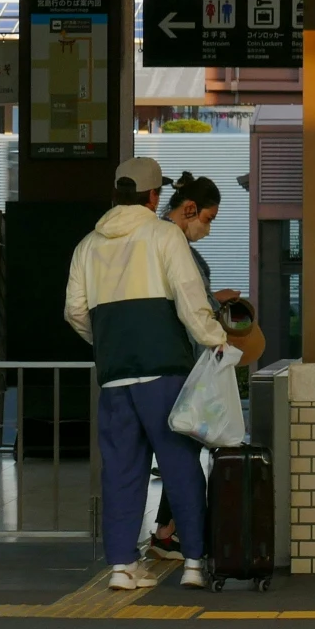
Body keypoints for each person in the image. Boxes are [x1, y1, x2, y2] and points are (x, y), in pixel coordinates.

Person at [64, 155, 228, 592]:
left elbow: (76, 312)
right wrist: (215, 339)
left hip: (115, 377)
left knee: (120, 471)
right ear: (153, 196)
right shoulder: (162, 236)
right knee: (180, 466)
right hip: (165, 374)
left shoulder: (87, 246)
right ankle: (193, 562)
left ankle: (121, 566)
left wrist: (111, 344)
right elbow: (191, 299)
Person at [145, 171, 259, 561]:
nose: (206, 229)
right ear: (189, 209)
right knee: (183, 451)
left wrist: (212, 299)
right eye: (206, 220)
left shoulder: (164, 241)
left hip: (177, 359)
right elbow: (184, 304)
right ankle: (171, 534)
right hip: (180, 361)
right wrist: (214, 321)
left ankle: (168, 531)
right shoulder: (170, 243)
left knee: (182, 450)